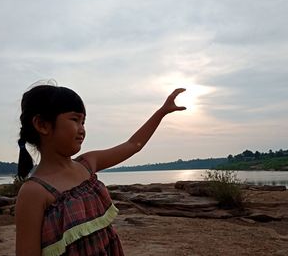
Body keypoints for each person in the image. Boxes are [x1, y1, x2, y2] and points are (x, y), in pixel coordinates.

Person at [15, 84, 186, 256]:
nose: (82, 129)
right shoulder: (34, 192)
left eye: (83, 122)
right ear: (42, 125)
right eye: (75, 120)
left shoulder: (87, 164)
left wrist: (162, 112)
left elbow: (133, 145)